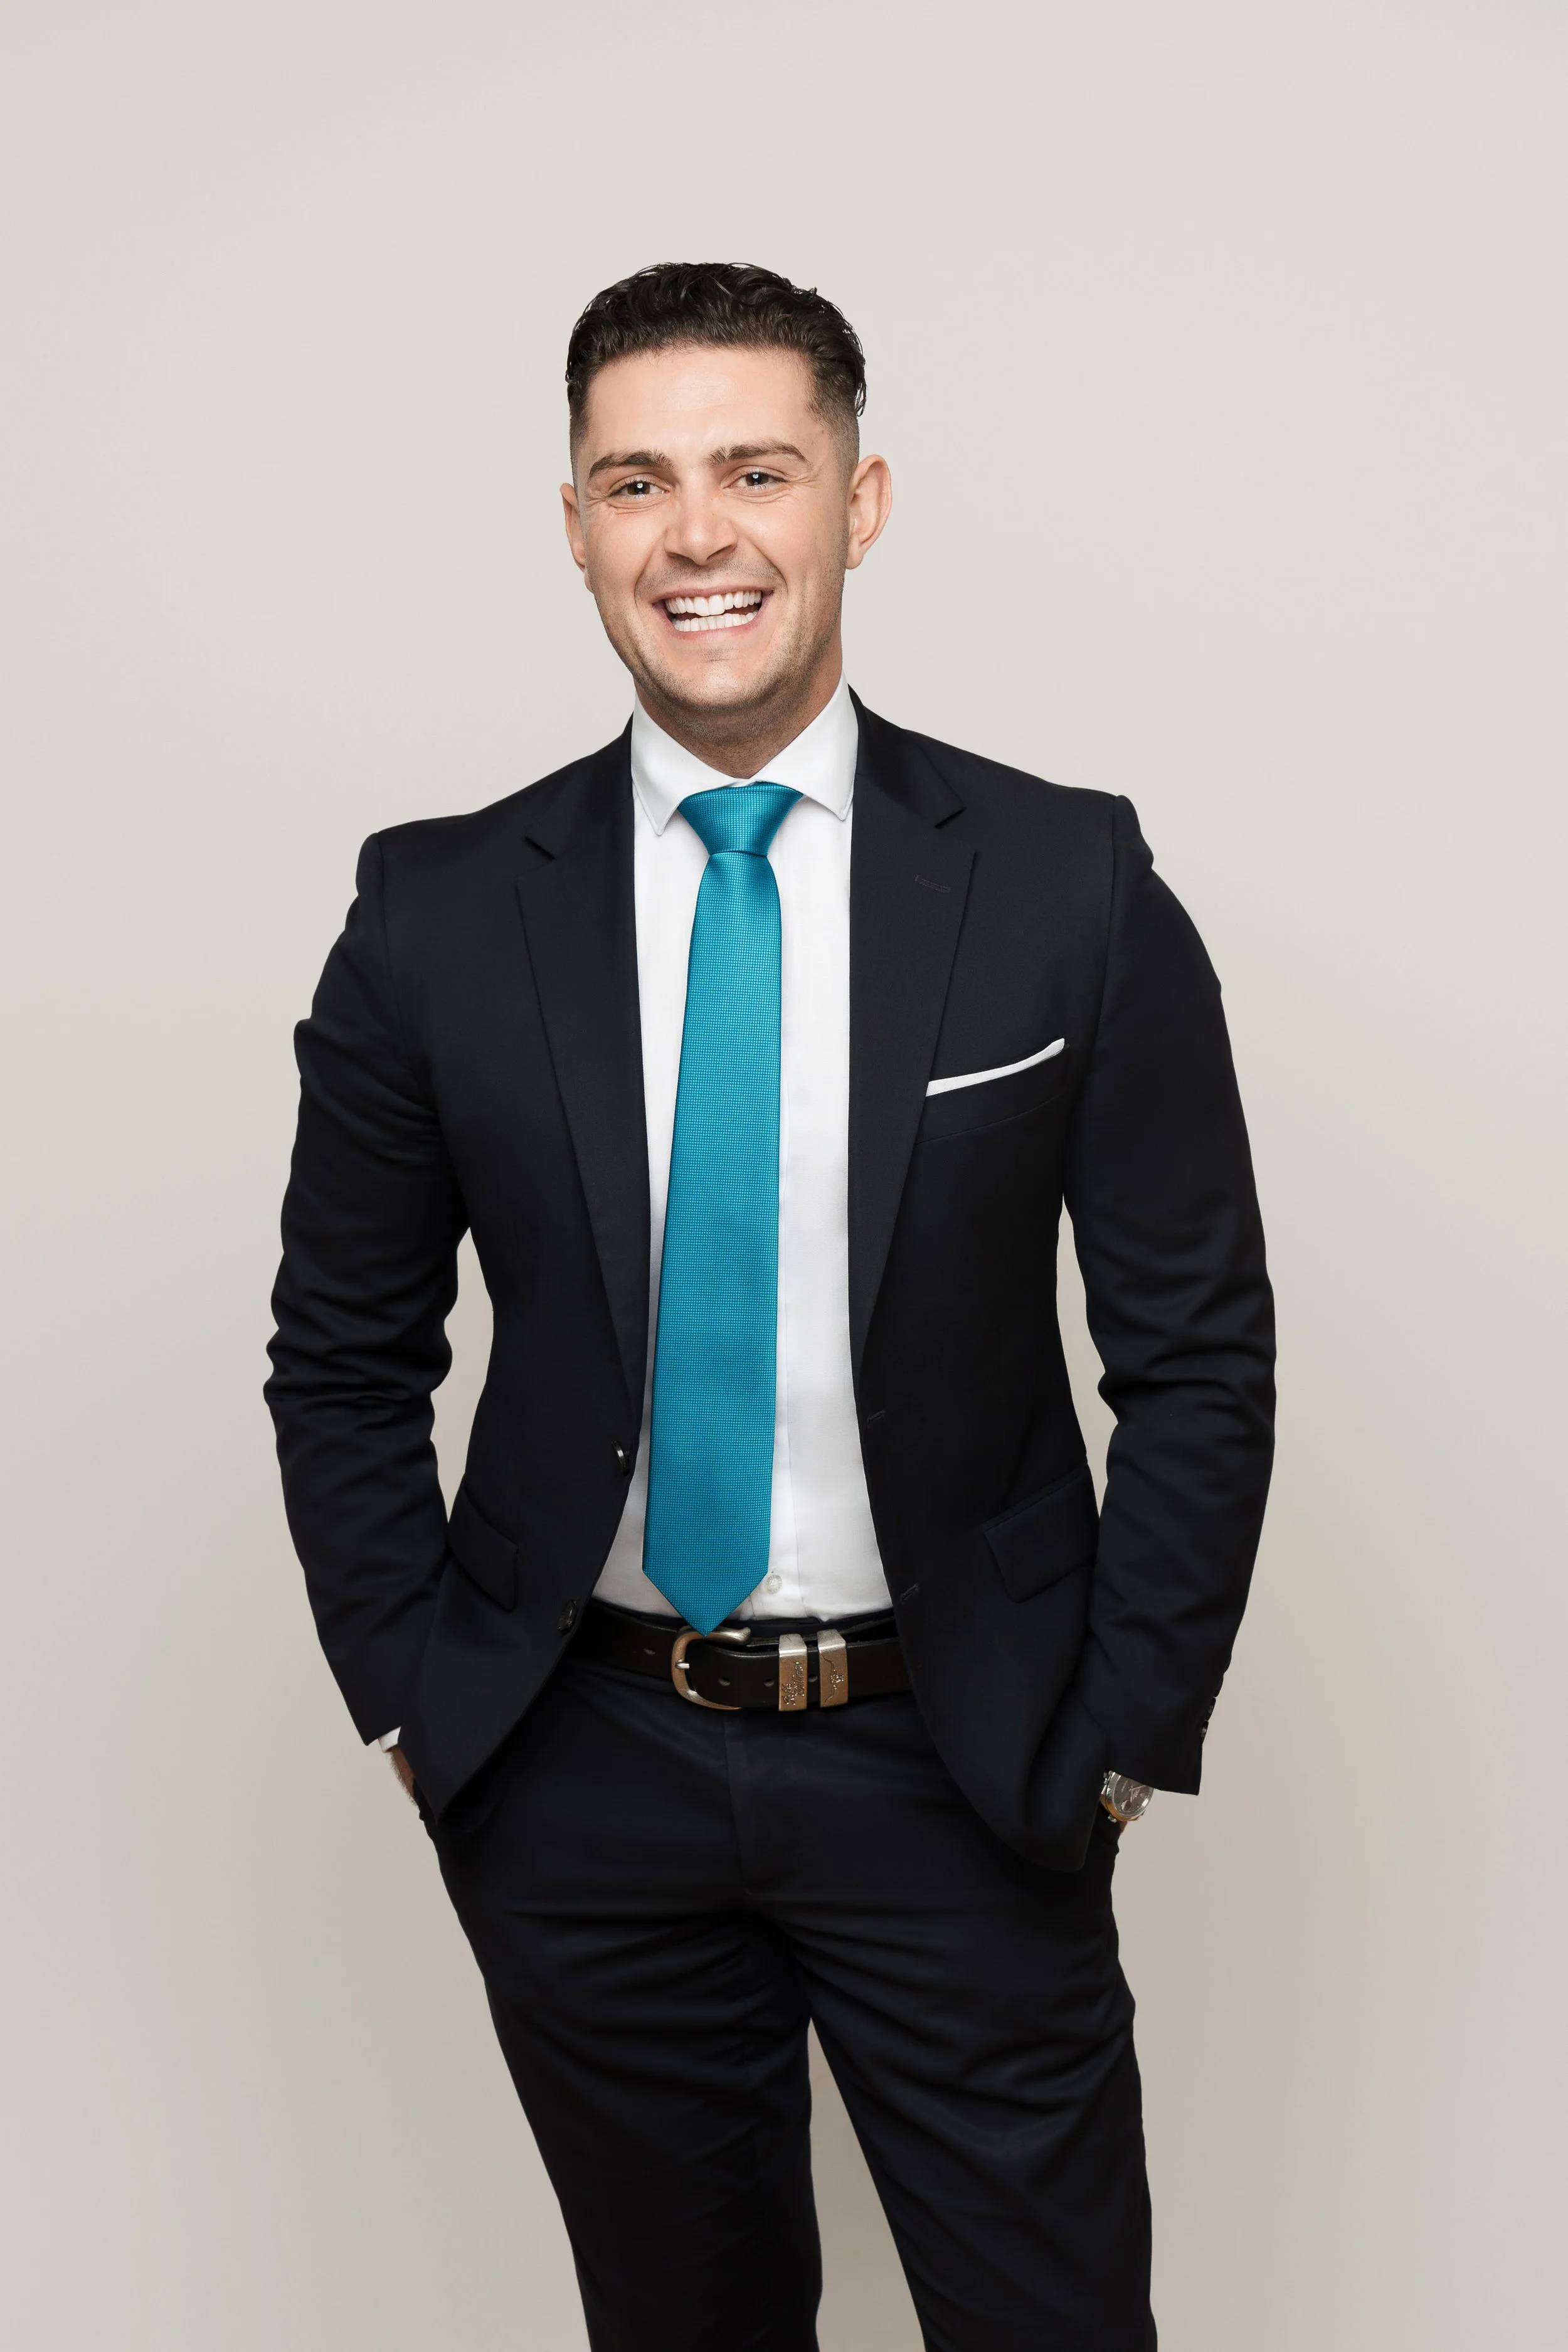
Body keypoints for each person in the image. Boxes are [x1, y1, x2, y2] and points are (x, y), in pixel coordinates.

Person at [265, 260, 1275, 2352]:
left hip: (963, 1756)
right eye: (636, 480)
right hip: (582, 1768)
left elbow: (1195, 1352)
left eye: (756, 470)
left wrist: (1112, 1743)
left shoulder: (1063, 880)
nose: (697, 532)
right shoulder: (440, 907)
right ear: (574, 525)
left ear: (858, 501)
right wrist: (419, 1701)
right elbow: (342, 1353)